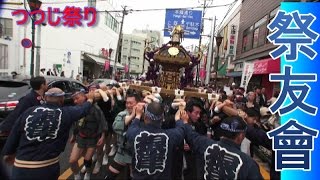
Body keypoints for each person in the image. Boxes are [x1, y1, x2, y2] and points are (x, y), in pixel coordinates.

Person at [1, 88, 95, 180]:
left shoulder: (29, 111)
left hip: (20, 168)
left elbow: (14, 133)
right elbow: (83, 109)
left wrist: (8, 152)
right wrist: (90, 99)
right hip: (46, 167)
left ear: (45, 98)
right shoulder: (66, 113)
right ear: (62, 100)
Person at [183, 115, 263, 180]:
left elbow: (191, 135)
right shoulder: (248, 163)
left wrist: (184, 122)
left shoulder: (205, 145)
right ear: (241, 135)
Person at [126, 102, 185, 179]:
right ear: (162, 118)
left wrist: (138, 115)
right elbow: (181, 131)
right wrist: (178, 119)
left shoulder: (136, 133)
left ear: (146, 118)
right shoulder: (170, 136)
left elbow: (131, 129)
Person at [69, 90, 107, 180]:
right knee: (72, 160)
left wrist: (102, 136)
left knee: (87, 159)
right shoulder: (78, 108)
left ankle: (88, 172)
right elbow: (76, 123)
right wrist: (74, 135)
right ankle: (76, 174)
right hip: (81, 136)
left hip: (92, 137)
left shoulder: (95, 108)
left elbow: (102, 122)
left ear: (84, 97)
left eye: (77, 98)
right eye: (74, 100)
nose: (75, 101)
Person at [104, 89, 141, 180]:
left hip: (136, 154)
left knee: (133, 177)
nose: (128, 105)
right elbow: (116, 127)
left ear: (138, 103)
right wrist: (132, 116)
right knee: (110, 176)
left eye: (131, 103)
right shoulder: (122, 114)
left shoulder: (143, 116)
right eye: (127, 103)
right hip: (122, 152)